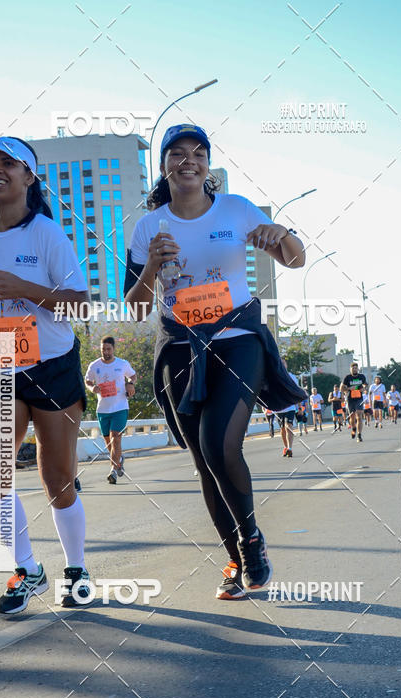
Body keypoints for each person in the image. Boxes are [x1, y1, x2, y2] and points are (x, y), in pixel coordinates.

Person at [123, 124, 306, 599]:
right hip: (180, 347)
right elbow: (137, 307)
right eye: (177, 154)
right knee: (205, 462)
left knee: (218, 444)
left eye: (198, 153)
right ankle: (234, 559)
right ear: (163, 166)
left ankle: (251, 542)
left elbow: (295, 259)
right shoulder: (147, 227)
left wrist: (280, 233)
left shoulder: (236, 209)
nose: (189, 161)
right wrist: (149, 268)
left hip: (237, 339)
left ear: (207, 164)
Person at [0, 136, 90, 614]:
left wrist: (25, 289)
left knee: (57, 477)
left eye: (7, 163)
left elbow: (80, 302)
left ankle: (76, 568)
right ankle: (28, 569)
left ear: (28, 177)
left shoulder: (48, 235)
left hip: (52, 364)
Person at [85, 335, 136, 484]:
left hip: (120, 407)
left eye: (108, 349)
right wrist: (91, 387)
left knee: (116, 438)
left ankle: (113, 470)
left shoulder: (122, 363)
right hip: (103, 409)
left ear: (113, 349)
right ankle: (118, 459)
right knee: (109, 442)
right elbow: (87, 380)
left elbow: (133, 376)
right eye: (103, 349)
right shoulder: (94, 365)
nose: (106, 352)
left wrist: (130, 384)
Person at [341, 362, 367, 441]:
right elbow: (341, 388)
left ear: (357, 369)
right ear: (350, 369)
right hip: (350, 399)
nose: (354, 369)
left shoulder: (361, 376)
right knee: (352, 418)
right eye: (353, 368)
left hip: (359, 399)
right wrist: (349, 389)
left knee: (359, 416)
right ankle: (353, 428)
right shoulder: (347, 377)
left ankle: (359, 435)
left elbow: (365, 385)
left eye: (355, 368)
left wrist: (364, 388)